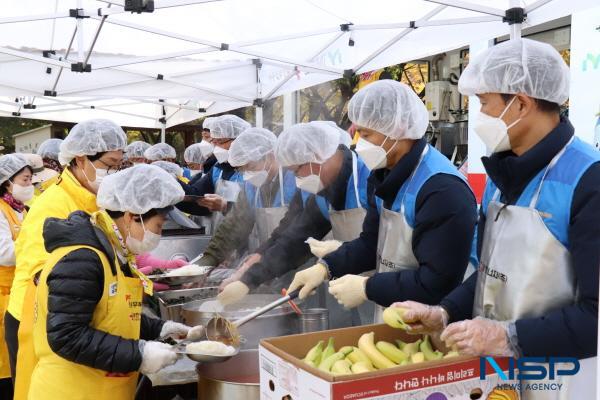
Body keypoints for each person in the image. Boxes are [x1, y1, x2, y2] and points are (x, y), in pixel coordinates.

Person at [393, 39, 600, 400]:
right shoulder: (499, 177)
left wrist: (508, 337)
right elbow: (492, 274)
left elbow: (596, 318)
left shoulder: (587, 180)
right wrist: (444, 312)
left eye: (484, 103)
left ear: (521, 102)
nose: (479, 116)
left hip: (561, 382)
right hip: (495, 383)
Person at [286, 80, 477, 322]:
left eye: (366, 134)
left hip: (437, 324)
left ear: (397, 128)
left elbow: (436, 282)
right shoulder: (385, 175)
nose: (359, 144)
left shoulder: (441, 189)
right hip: (395, 314)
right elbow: (371, 243)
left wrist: (368, 288)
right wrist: (326, 267)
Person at [28, 164, 203, 399]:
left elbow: (110, 315)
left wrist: (159, 329)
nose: (158, 235)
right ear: (133, 216)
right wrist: (139, 354)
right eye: (158, 226)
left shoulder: (115, 250)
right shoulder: (83, 258)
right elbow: (67, 336)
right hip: (73, 391)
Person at [5, 119, 127, 397]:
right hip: (35, 316)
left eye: (118, 165)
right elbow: (41, 271)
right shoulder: (54, 204)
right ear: (81, 159)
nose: (113, 172)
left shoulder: (94, 198)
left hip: (69, 311)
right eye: (109, 164)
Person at [217, 121, 371, 328]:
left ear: (316, 157)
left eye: (296, 171)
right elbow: (294, 239)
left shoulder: (370, 179)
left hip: (390, 286)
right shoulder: (321, 192)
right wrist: (248, 279)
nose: (298, 180)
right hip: (352, 282)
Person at [195, 128, 297, 276]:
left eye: (251, 167)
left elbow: (300, 230)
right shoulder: (251, 187)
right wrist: (206, 263)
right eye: (243, 170)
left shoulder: (295, 180)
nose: (248, 174)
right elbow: (233, 227)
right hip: (268, 267)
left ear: (270, 156)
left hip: (300, 267)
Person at [0, 154, 33, 399]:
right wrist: (32, 243)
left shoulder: (25, 210)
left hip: (23, 295)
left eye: (31, 179)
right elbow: (5, 254)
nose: (29, 185)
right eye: (25, 179)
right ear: (7, 182)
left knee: (19, 362)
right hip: (3, 297)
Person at [177, 115, 249, 219]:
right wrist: (170, 182)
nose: (216, 148)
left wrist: (226, 206)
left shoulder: (256, 169)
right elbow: (197, 196)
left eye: (220, 142)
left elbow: (255, 210)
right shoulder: (218, 168)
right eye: (214, 142)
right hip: (224, 232)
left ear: (238, 140)